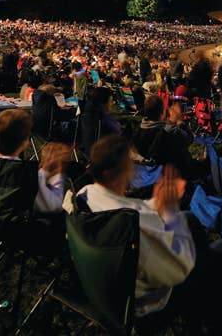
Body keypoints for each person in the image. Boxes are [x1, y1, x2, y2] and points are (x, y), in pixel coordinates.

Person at [65, 135, 196, 318]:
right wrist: (170, 213)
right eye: (130, 165)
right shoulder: (134, 222)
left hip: (96, 283)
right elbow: (179, 268)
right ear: (116, 173)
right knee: (213, 244)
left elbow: (124, 208)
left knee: (188, 218)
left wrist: (157, 203)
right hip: (139, 302)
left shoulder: (81, 196)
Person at [0, 109, 69, 214]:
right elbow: (54, 205)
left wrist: (44, 172)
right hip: (23, 226)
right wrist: (56, 175)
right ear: (25, 143)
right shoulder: (26, 173)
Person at [134, 95, 198, 179]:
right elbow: (189, 139)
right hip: (175, 172)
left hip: (150, 173)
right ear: (162, 112)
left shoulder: (140, 128)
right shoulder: (169, 131)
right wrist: (179, 121)